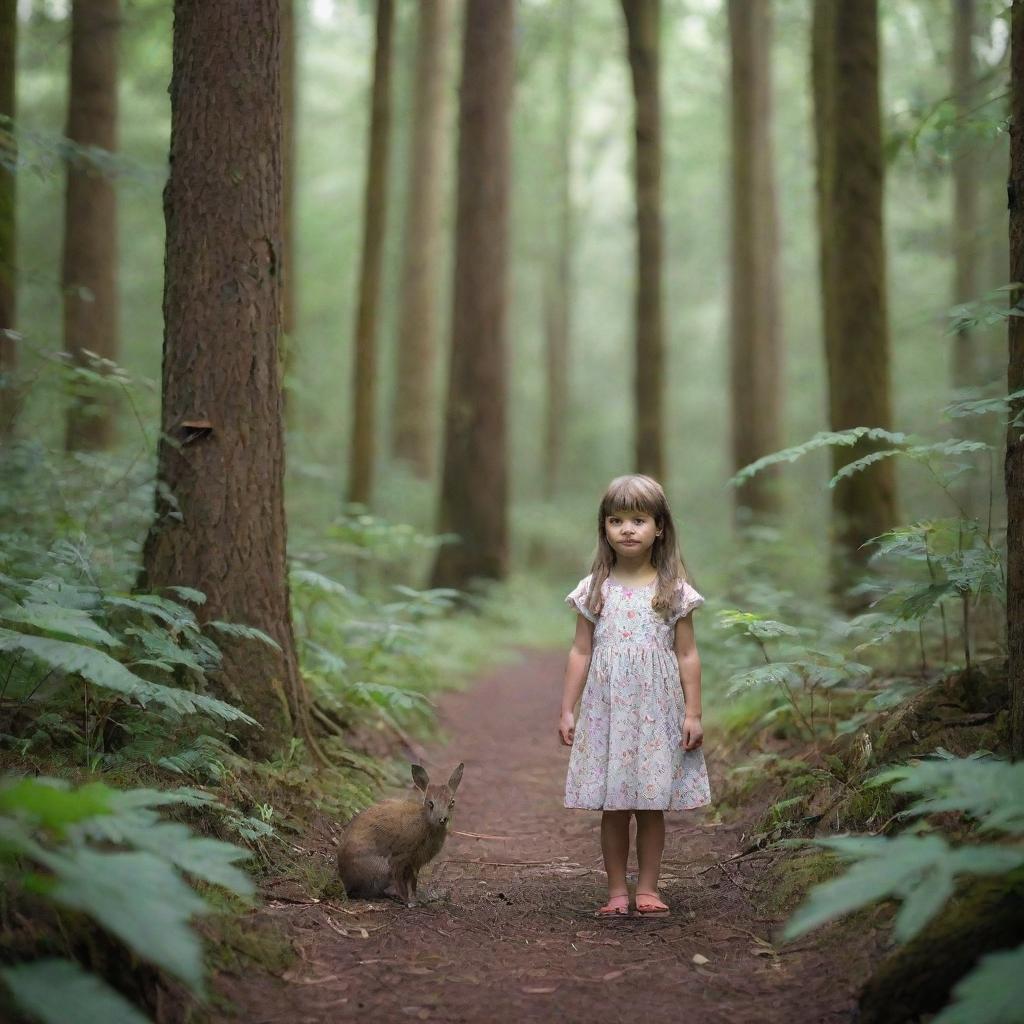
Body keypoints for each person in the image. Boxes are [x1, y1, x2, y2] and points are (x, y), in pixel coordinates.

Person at [558, 473, 711, 917]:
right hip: (608, 711)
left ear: (659, 528)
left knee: (650, 805)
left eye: (639, 519)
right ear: (604, 528)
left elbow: (687, 654)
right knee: (613, 805)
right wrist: (567, 708)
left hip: (656, 713)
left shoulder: (674, 591)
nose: (627, 528)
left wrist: (694, 713)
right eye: (616, 519)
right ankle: (615, 891)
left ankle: (647, 887)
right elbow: (580, 650)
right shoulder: (594, 589)